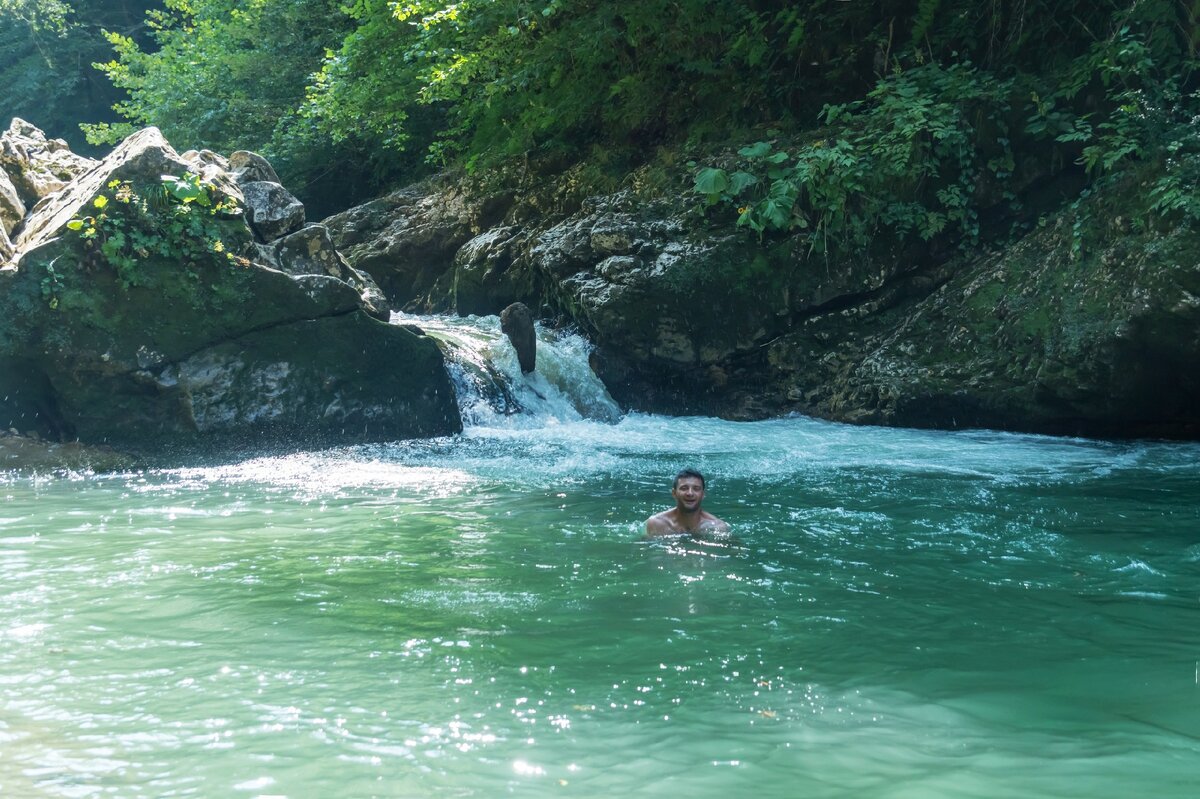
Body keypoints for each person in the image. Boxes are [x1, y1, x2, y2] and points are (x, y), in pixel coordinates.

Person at [644, 468, 729, 538]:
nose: (690, 493)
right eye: (684, 488)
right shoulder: (657, 524)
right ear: (674, 493)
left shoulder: (717, 527)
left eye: (696, 489)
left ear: (703, 494)